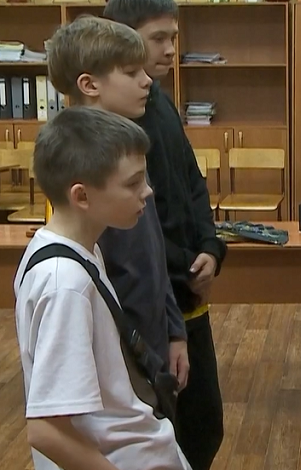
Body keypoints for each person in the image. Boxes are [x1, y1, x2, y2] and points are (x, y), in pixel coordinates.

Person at [14, 106, 190, 470]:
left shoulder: (78, 250)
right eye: (133, 183)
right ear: (81, 196)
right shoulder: (65, 284)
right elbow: (46, 431)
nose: (148, 192)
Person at [104, 0, 227, 470]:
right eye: (158, 38)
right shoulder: (117, 124)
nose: (171, 49)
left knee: (205, 425)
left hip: (189, 293)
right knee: (171, 431)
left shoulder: (160, 101)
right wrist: (185, 267)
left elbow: (192, 182)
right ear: (122, 37)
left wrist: (212, 247)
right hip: (156, 301)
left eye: (173, 37)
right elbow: (141, 226)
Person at [47, 13, 190, 414]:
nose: (147, 81)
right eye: (131, 72)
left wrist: (174, 330)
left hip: (154, 346)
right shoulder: (85, 168)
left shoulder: (128, 148)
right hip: (123, 361)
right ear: (89, 85)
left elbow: (153, 254)